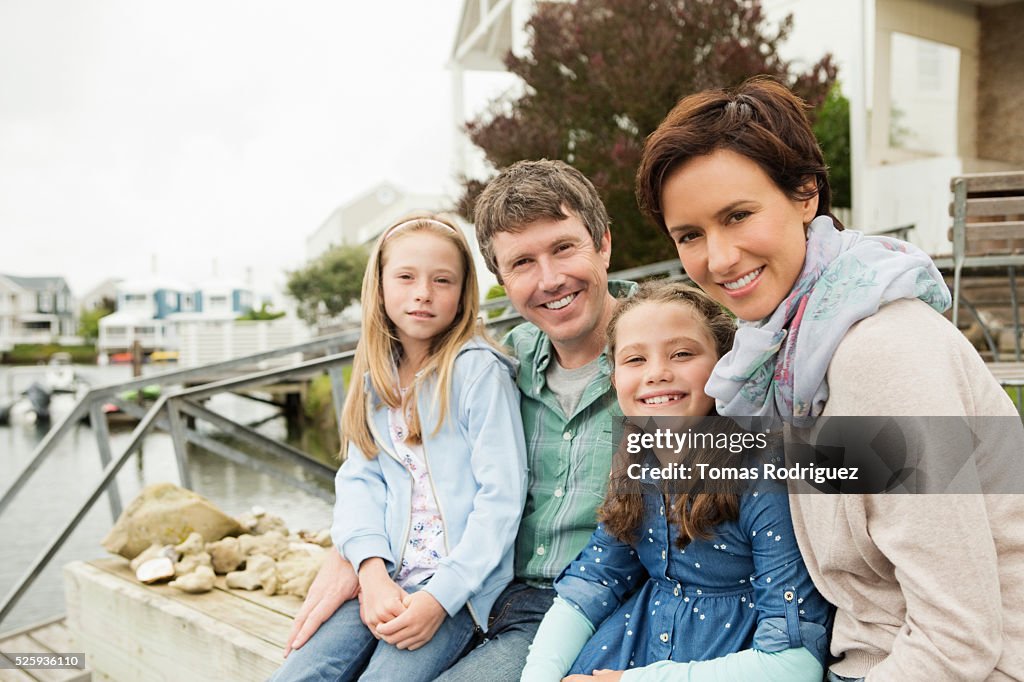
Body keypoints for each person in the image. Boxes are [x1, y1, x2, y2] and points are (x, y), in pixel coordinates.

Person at [635, 76, 1024, 681]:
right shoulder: (785, 353)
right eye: (690, 235)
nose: (718, 258)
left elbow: (957, 640)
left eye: (738, 215)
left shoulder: (879, 354)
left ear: (805, 193)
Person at [282, 161, 636, 681]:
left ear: (603, 245)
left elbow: (769, 473)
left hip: (583, 606)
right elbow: (373, 473)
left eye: (564, 248)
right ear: (501, 280)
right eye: (522, 263)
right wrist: (356, 555)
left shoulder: (664, 360)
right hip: (496, 596)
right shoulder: (511, 360)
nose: (551, 278)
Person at [521, 280, 832, 682]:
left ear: (724, 363)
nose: (657, 373)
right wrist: (538, 675)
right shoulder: (637, 462)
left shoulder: (761, 472)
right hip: (636, 644)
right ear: (613, 378)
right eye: (634, 360)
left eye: (682, 353)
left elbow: (795, 664)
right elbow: (594, 582)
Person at [270, 214, 528, 681]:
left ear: (463, 292)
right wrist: (369, 571)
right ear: (381, 286)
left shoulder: (477, 373)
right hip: (384, 577)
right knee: (300, 673)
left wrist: (439, 598)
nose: (423, 292)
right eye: (406, 277)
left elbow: (502, 499)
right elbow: (358, 481)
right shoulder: (377, 380)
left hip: (453, 595)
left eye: (442, 280)